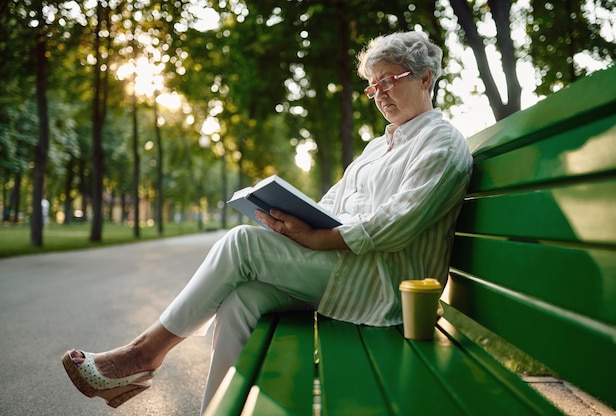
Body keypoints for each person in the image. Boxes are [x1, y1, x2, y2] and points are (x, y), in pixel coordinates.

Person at [61, 30, 472, 413]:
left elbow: (397, 223)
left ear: (425, 79)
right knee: (245, 300)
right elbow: (333, 202)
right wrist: (297, 218)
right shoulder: (377, 146)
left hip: (383, 286)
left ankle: (143, 354)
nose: (379, 94)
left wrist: (314, 238)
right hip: (345, 272)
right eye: (373, 85)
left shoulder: (442, 142)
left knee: (243, 244)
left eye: (390, 81)